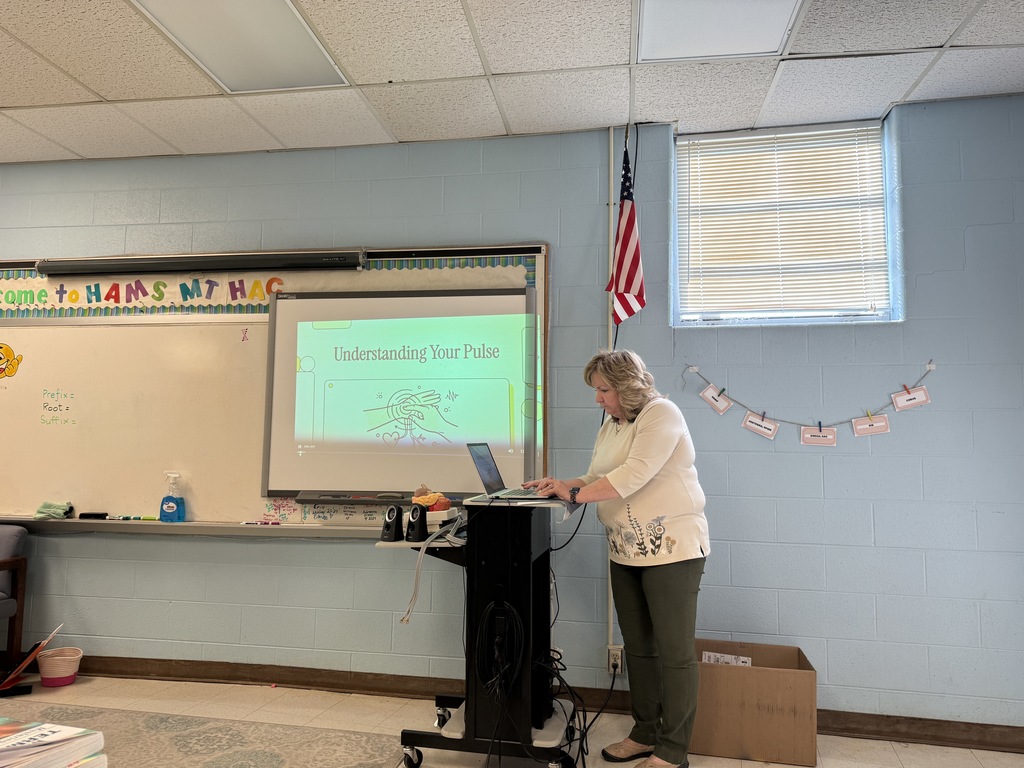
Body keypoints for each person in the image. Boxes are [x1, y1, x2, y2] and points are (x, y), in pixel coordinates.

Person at [525, 349, 709, 768]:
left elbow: (633, 475)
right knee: (639, 648)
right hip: (624, 549)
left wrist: (573, 495)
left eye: (603, 390)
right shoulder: (613, 423)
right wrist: (562, 484)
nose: (598, 399)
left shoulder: (661, 414)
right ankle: (644, 733)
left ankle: (672, 749)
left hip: (672, 551)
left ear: (626, 387)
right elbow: (597, 476)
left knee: (674, 651)